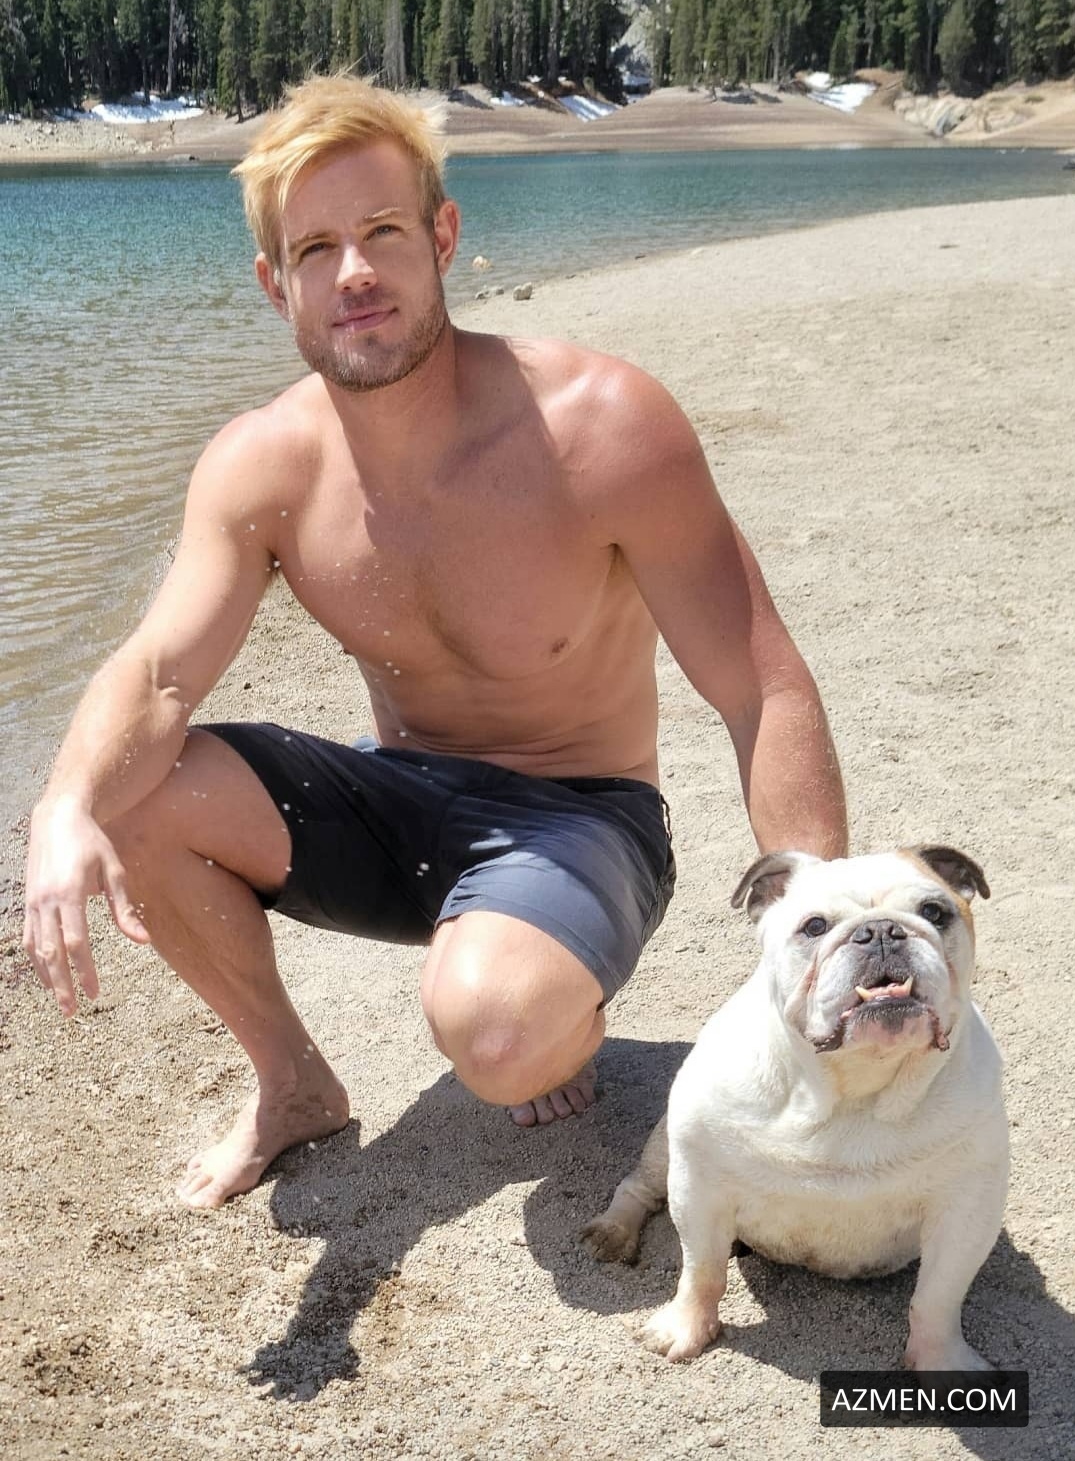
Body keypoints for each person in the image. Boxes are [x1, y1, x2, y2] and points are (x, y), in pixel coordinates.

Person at [22, 76, 847, 1210]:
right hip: (402, 803)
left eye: (383, 232)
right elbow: (160, 672)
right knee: (130, 788)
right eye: (316, 249)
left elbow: (761, 686)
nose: (354, 273)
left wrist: (820, 933)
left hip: (581, 816)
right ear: (274, 284)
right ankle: (293, 1085)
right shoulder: (264, 465)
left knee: (497, 1034)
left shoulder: (600, 427)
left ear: (444, 237)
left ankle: (541, 999)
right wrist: (63, 808)